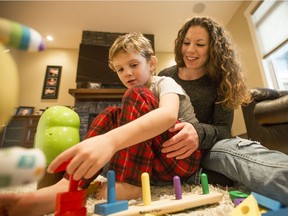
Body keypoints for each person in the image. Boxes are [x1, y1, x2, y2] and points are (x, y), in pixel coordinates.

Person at [0, 32, 200, 216]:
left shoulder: (165, 83)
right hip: (155, 163)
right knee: (112, 113)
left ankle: (129, 183)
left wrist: (110, 141)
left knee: (136, 93)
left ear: (151, 63)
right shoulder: (134, 97)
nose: (127, 73)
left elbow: (167, 115)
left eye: (133, 65)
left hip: (181, 157)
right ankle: (70, 183)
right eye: (120, 69)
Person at [157, 16, 288, 206]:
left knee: (239, 154)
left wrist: (197, 132)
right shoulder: (165, 76)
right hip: (171, 151)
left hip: (211, 148)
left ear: (213, 48)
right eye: (186, 42)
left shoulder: (223, 80)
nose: (190, 50)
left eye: (200, 44)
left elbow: (223, 129)